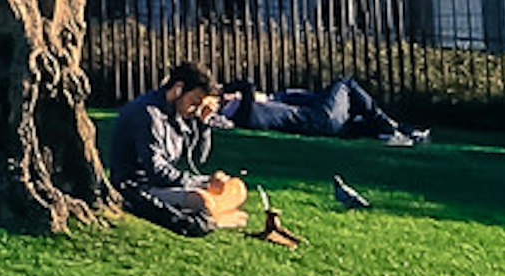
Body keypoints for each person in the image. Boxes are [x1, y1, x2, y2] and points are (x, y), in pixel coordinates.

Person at [108, 61, 294, 244]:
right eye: (194, 103)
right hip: (140, 187)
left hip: (166, 184)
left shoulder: (179, 113)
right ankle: (216, 217)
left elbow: (198, 159)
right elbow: (157, 172)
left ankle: (213, 212)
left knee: (236, 187)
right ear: (178, 89)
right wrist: (204, 183)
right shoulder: (147, 115)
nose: (195, 109)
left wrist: (203, 123)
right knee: (202, 199)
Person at [220, 75, 425, 146]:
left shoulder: (262, 108)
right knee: (345, 83)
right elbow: (247, 85)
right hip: (318, 118)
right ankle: (389, 126)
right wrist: (223, 90)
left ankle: (403, 132)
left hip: (323, 127)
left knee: (363, 125)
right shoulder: (245, 114)